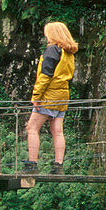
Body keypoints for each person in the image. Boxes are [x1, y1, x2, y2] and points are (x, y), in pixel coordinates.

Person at [24, 21, 78, 174]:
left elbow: (45, 76)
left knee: (32, 128)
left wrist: (36, 96)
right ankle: (58, 165)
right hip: (62, 96)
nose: (46, 36)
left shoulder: (52, 50)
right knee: (58, 131)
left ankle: (32, 164)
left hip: (48, 95)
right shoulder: (68, 52)